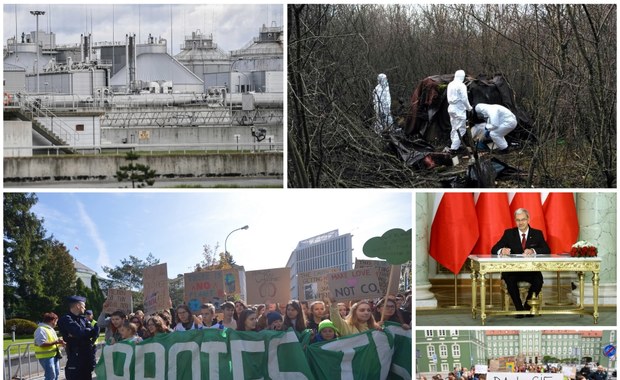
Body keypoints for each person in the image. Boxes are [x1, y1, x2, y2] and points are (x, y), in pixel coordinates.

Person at [491, 208, 550, 317]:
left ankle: (527, 306)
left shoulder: (537, 233)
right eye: (518, 220)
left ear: (528, 219)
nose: (520, 222)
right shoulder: (509, 233)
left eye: (523, 219)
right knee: (509, 278)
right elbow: (494, 249)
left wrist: (533, 251)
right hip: (513, 270)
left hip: (530, 270)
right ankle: (519, 309)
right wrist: (501, 250)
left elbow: (547, 249)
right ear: (515, 221)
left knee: (538, 279)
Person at [57, 296, 99, 380]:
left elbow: (95, 332)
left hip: (87, 356)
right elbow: (79, 333)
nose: (85, 308)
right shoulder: (66, 319)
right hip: (75, 356)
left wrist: (83, 332)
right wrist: (86, 332)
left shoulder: (83, 319)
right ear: (78, 306)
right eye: (83, 305)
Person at [445, 69, 473, 154]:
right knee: (461, 129)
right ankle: (454, 149)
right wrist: (469, 108)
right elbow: (464, 99)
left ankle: (454, 144)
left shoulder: (450, 84)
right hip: (459, 109)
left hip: (451, 108)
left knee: (454, 127)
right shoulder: (461, 85)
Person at [34, 312, 65, 380]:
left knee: (56, 374)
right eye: (56, 321)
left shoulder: (50, 329)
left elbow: (53, 342)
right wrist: (56, 342)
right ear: (53, 321)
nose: (56, 324)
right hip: (46, 357)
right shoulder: (41, 329)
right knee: (51, 376)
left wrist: (60, 342)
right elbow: (41, 343)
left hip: (53, 355)